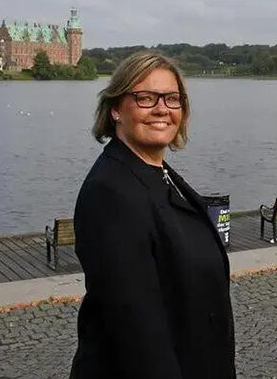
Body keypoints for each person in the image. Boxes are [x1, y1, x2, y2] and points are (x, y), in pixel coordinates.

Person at [70, 51, 235, 378]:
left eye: (172, 99)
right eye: (146, 98)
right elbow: (135, 330)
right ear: (116, 108)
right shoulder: (110, 193)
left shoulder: (159, 172)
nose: (162, 109)